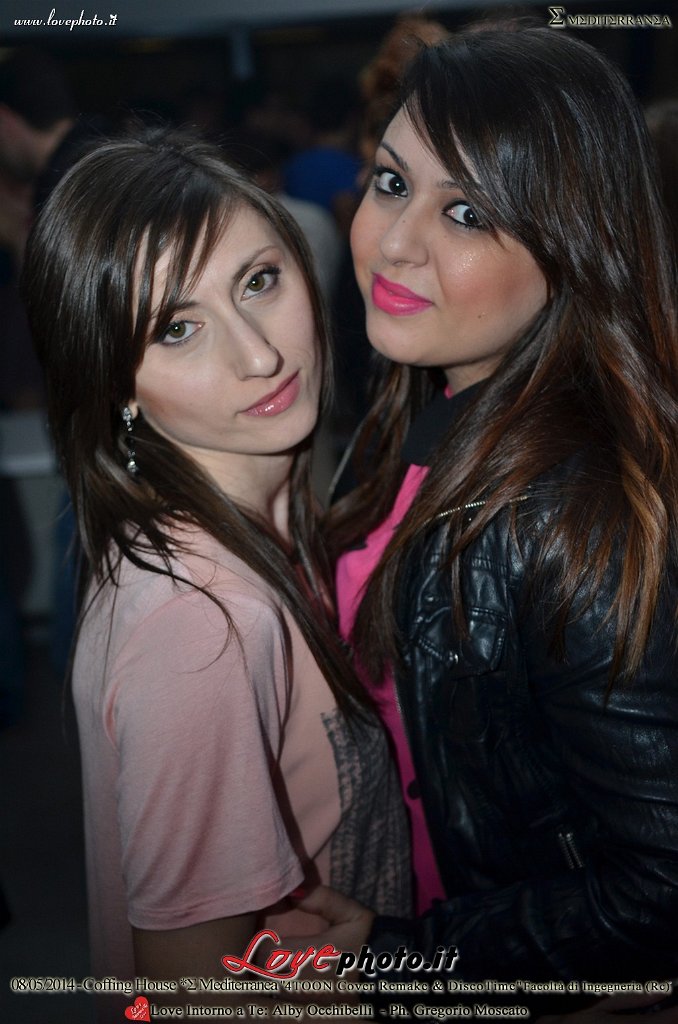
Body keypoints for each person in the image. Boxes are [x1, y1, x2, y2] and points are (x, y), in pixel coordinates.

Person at [312, 26, 678, 997]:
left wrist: (406, 957)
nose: (395, 240)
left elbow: (662, 888)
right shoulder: (415, 417)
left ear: (576, 248)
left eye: (467, 212)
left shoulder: (575, 508)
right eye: (392, 182)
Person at [20, 129, 411, 1020]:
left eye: (259, 281)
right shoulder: (204, 621)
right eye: (177, 329)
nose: (258, 355)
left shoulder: (240, 543)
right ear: (116, 386)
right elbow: (190, 998)